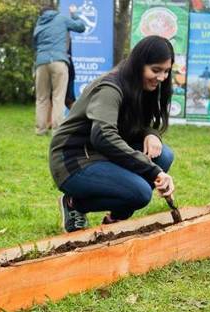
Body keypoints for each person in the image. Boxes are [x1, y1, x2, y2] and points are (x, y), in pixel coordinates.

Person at [50, 35, 176, 232]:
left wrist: (151, 134)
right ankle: (74, 203)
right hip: (73, 158)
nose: (161, 78)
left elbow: (134, 123)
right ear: (139, 64)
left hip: (101, 153)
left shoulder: (141, 84)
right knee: (141, 193)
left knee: (164, 155)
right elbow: (103, 135)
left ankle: (115, 220)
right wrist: (152, 171)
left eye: (166, 71)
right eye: (156, 70)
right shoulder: (110, 87)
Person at [33, 4, 85, 135]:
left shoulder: (39, 25)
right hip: (59, 60)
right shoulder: (61, 18)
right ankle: (57, 130)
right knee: (58, 96)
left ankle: (40, 129)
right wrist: (74, 14)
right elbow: (80, 27)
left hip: (41, 62)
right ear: (53, 11)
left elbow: (35, 45)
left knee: (42, 98)